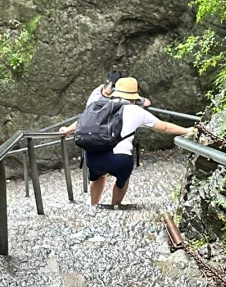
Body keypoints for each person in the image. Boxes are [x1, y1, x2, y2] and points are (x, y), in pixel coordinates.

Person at [62, 76, 194, 208]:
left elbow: (81, 122)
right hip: (119, 159)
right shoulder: (136, 111)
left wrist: (67, 130)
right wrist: (187, 130)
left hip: (92, 156)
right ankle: (116, 205)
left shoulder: (98, 105)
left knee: (98, 176)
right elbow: (164, 127)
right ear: (134, 96)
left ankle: (94, 206)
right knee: (122, 178)